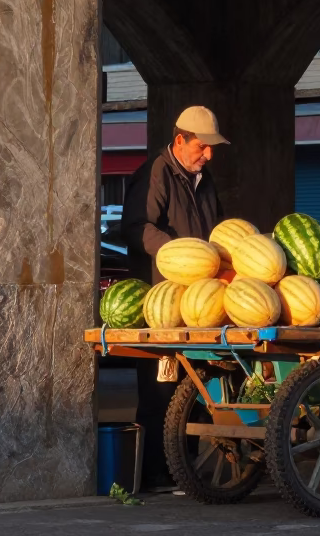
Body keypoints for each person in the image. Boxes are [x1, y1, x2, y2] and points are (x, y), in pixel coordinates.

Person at [122, 105, 228, 491]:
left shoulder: (204, 178)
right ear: (180, 141)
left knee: (193, 388)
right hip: (162, 303)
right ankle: (153, 473)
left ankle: (184, 468)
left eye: (212, 148)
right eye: (202, 147)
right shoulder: (156, 174)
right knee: (160, 391)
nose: (209, 155)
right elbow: (135, 228)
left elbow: (218, 232)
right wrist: (177, 254)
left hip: (197, 302)